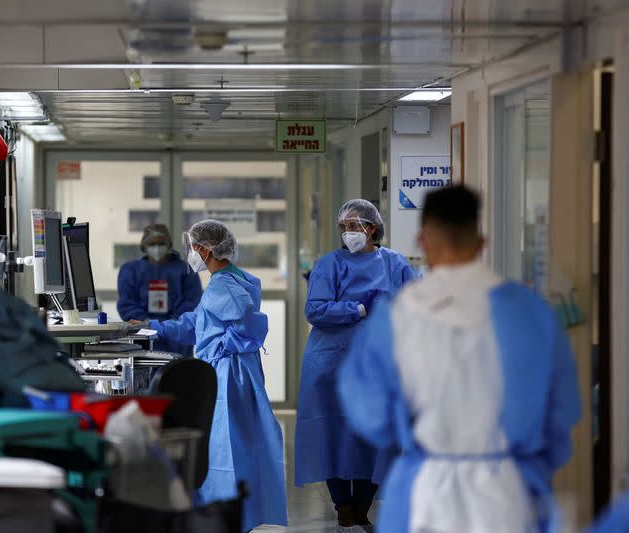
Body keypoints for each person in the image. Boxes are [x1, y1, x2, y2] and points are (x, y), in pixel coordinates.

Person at [337, 185, 581, 533]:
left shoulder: (397, 316)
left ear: (423, 242)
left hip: (425, 490)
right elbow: (561, 417)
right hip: (508, 492)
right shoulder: (528, 313)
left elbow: (370, 414)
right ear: (481, 242)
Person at [148, 220, 287, 532]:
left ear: (206, 249)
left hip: (228, 375)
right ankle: (235, 516)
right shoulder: (233, 278)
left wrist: (221, 346)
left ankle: (228, 518)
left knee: (226, 448)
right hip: (236, 372)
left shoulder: (224, 285)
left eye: (193, 247)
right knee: (238, 448)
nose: (190, 253)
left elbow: (250, 324)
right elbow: (199, 322)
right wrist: (155, 327)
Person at [295, 199, 416, 533]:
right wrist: (358, 309)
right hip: (332, 362)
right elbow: (315, 310)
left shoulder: (396, 265)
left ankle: (361, 510)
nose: (348, 232)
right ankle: (344, 508)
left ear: (371, 227)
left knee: (374, 435)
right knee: (331, 431)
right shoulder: (329, 265)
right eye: (344, 226)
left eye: (353, 225)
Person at [117, 224, 202, 356]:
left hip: (176, 339)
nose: (157, 247)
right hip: (142, 337)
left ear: (169, 244)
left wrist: (169, 327)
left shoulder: (186, 270)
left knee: (177, 373)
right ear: (144, 246)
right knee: (144, 373)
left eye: (161, 243)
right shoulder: (131, 270)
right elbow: (127, 303)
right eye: (152, 243)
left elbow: (191, 302)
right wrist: (146, 324)